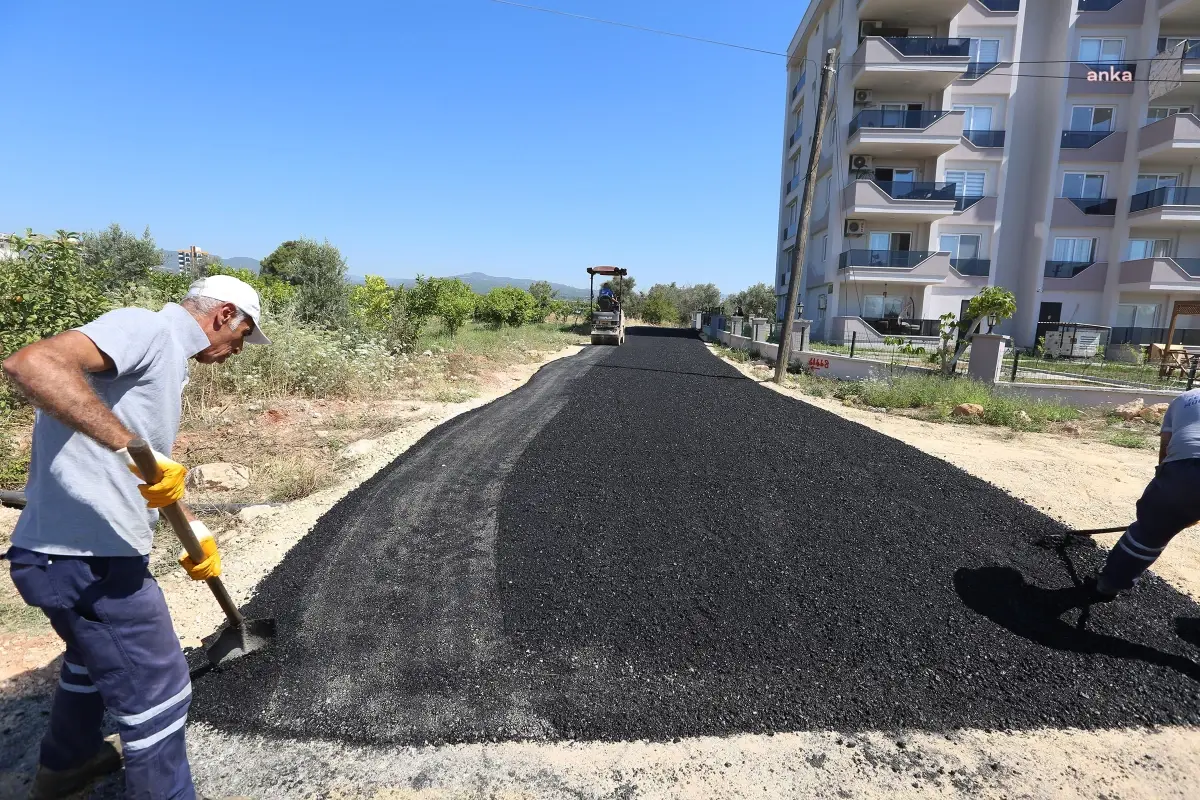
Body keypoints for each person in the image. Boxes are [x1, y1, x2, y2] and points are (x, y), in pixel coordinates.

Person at [2, 275, 271, 799]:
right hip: (84, 559)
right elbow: (29, 363)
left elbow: (154, 474)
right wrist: (128, 446)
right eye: (241, 337)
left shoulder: (162, 358)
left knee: (88, 653)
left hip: (73, 554)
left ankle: (69, 764)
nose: (237, 350)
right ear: (224, 316)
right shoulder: (146, 329)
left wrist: (192, 528)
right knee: (159, 690)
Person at [1093, 389, 1200, 600]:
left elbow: (1166, 446)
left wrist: (1167, 500)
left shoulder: (1184, 399)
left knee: (1150, 531)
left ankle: (1111, 582)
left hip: (1187, 469)